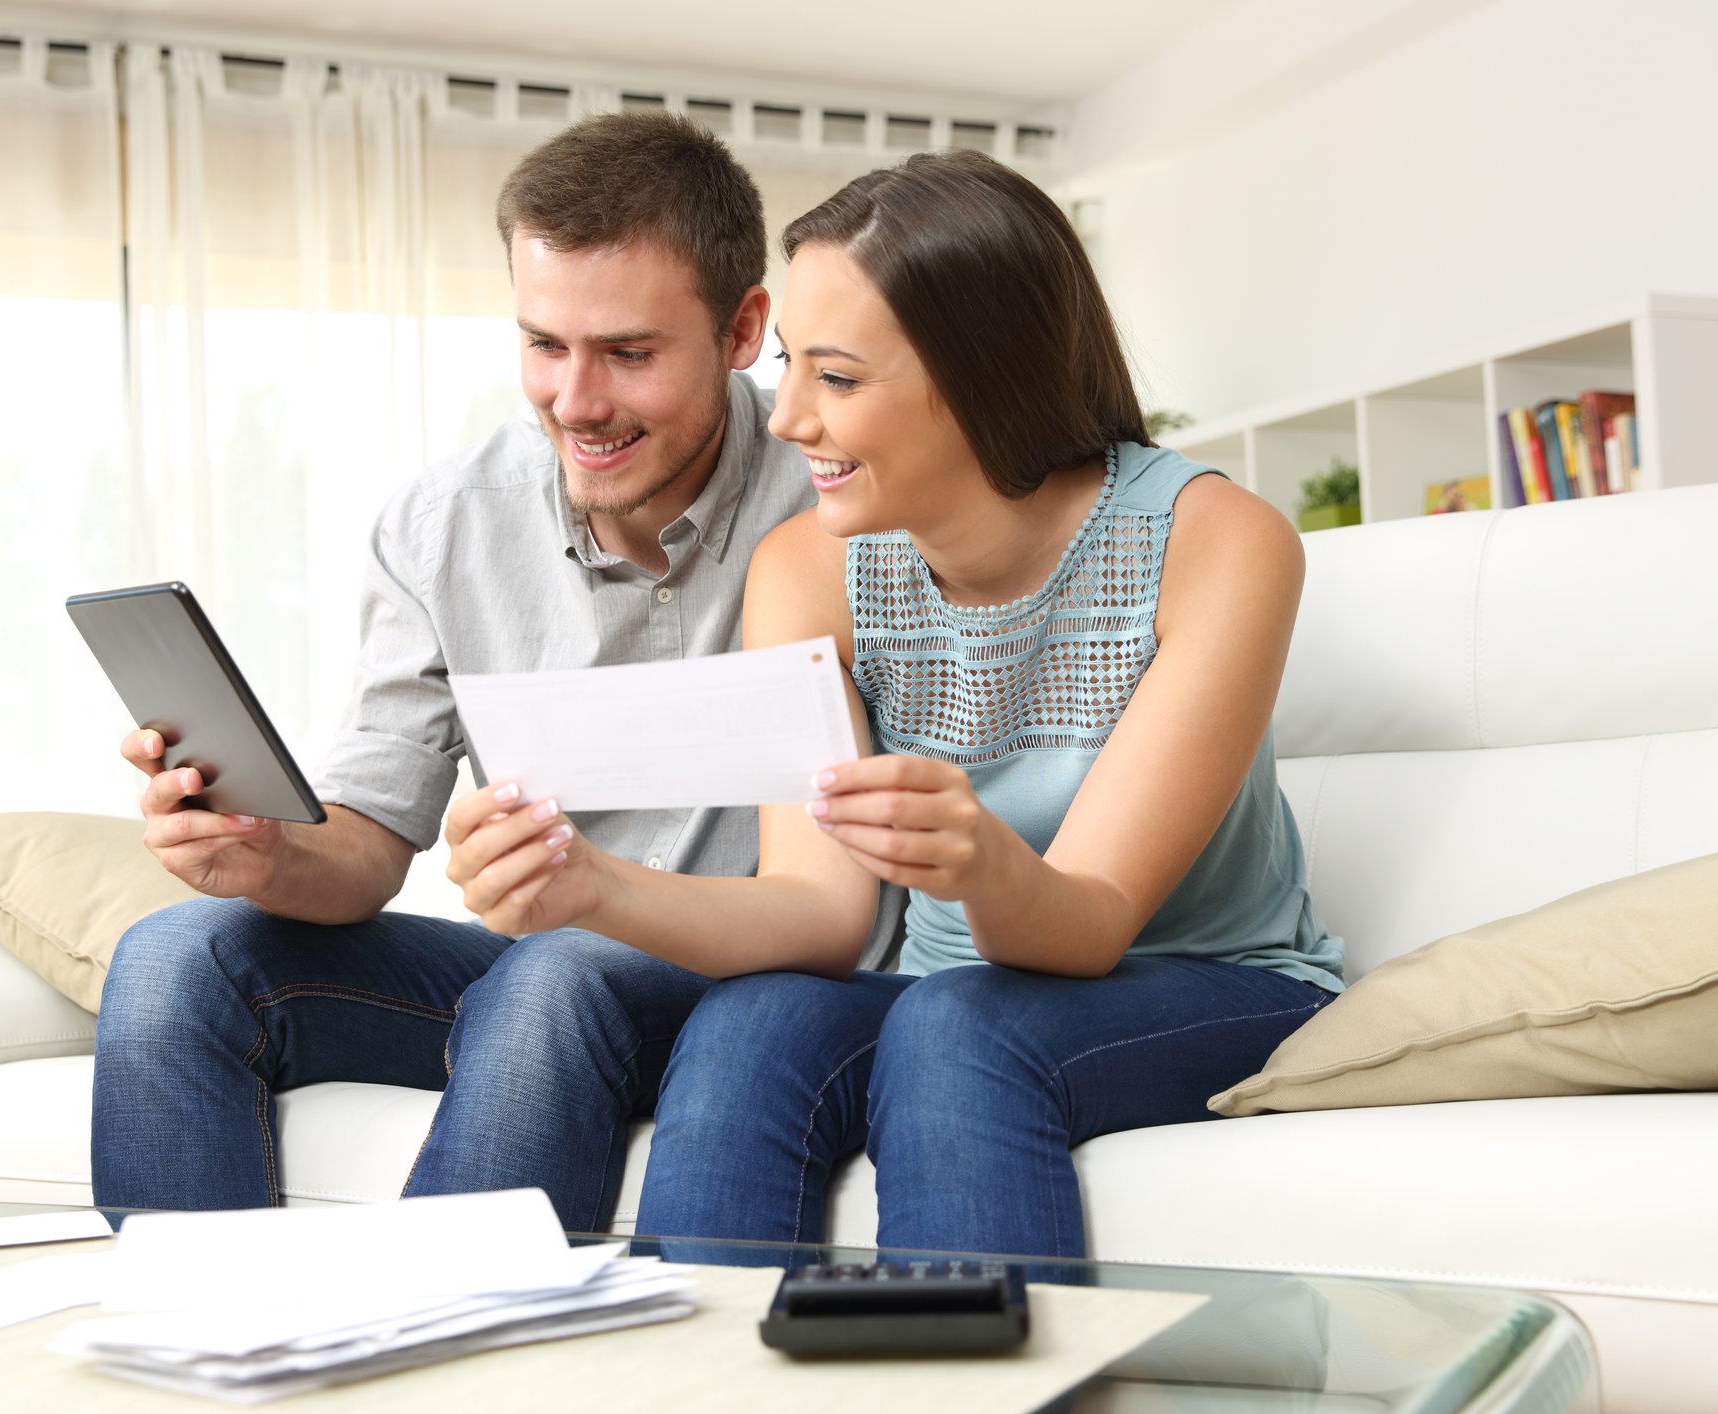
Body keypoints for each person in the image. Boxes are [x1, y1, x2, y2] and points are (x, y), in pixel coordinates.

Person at [445, 148, 1346, 1258]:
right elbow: (820, 913)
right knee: (752, 1023)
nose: (784, 419)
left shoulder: (1216, 543)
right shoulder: (810, 569)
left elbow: (1093, 919)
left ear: (982, 374)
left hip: (1209, 982)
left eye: (838, 377)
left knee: (959, 1022)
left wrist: (980, 864)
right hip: (946, 996)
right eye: (789, 367)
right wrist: (590, 884)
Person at [90, 111, 898, 1226]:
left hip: (757, 984)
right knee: (177, 956)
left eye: (628, 352)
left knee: (554, 969)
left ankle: (442, 1357)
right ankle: (203, 1361)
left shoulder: (844, 496)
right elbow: (367, 845)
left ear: (743, 328)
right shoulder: (441, 525)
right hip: (544, 982)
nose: (576, 402)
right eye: (543, 345)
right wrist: (266, 852)